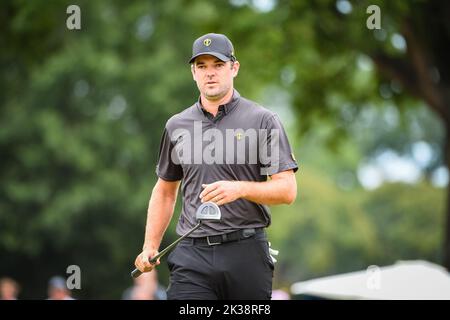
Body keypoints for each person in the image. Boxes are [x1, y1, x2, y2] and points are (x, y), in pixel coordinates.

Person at [134, 33, 298, 300]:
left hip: (246, 252)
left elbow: (287, 190)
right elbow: (165, 190)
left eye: (218, 65)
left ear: (234, 68)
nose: (210, 73)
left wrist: (239, 189)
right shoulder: (176, 125)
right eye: (202, 66)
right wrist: (150, 245)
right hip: (192, 255)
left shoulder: (263, 120)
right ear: (193, 73)